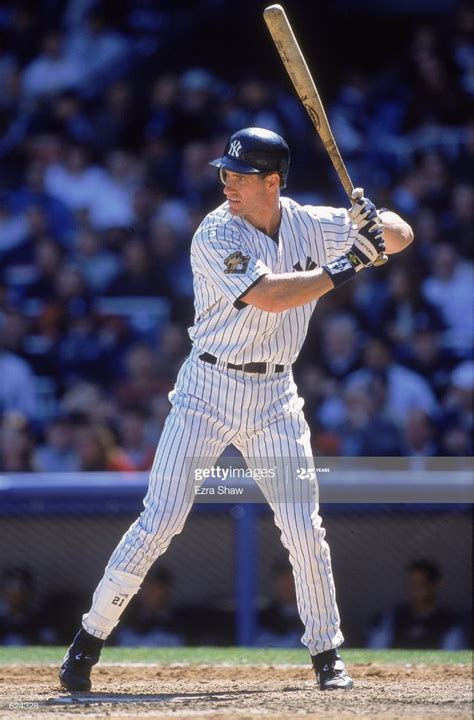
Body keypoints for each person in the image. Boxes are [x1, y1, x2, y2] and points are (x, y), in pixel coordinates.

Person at [59, 127, 413, 692]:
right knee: (161, 520)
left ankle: (327, 656)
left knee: (302, 526)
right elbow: (271, 296)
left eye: (242, 176)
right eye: (226, 173)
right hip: (207, 388)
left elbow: (402, 236)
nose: (228, 183)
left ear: (273, 182)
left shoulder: (305, 220)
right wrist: (351, 263)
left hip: (275, 395)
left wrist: (372, 220)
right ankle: (87, 641)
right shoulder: (216, 231)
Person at [366, 559, 467, 650]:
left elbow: (452, 654)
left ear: (436, 585)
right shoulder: (391, 617)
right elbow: (376, 651)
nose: (414, 590)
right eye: (411, 584)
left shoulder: (449, 621)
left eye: (421, 584)